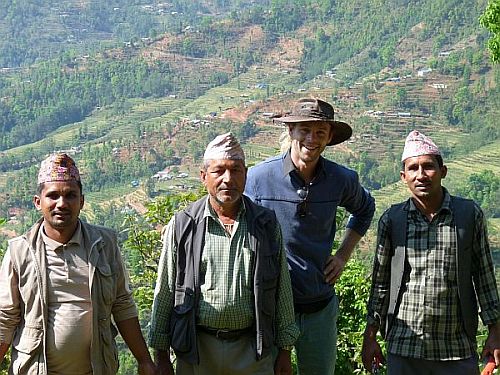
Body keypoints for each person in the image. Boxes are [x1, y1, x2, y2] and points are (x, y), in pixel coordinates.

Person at [149, 133, 299, 375]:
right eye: (219, 171)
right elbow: (165, 289)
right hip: (197, 350)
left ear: (246, 174)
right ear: (203, 176)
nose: (228, 179)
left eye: (236, 170)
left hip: (253, 350)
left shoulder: (265, 224)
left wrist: (285, 349)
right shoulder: (183, 224)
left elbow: (282, 287)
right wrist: (161, 354)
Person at [245, 98, 376, 374]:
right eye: (304, 129)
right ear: (291, 131)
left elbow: (365, 209)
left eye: (320, 132)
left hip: (318, 307)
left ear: (329, 137)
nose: (311, 139)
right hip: (269, 310)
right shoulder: (258, 179)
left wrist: (342, 256)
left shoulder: (341, 180)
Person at [0, 153, 156, 375]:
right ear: (38, 202)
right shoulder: (20, 251)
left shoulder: (104, 245)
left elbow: (122, 304)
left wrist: (144, 361)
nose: (61, 203)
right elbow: (5, 317)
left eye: (70, 195)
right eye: (53, 196)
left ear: (81, 201)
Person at [361, 130, 500, 374]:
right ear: (404, 177)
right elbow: (380, 284)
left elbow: (484, 277)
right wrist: (370, 335)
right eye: (413, 168)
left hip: (456, 346)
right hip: (404, 345)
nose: (421, 175)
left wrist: (495, 332)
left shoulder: (468, 216)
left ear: (443, 171)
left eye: (428, 166)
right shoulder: (393, 220)